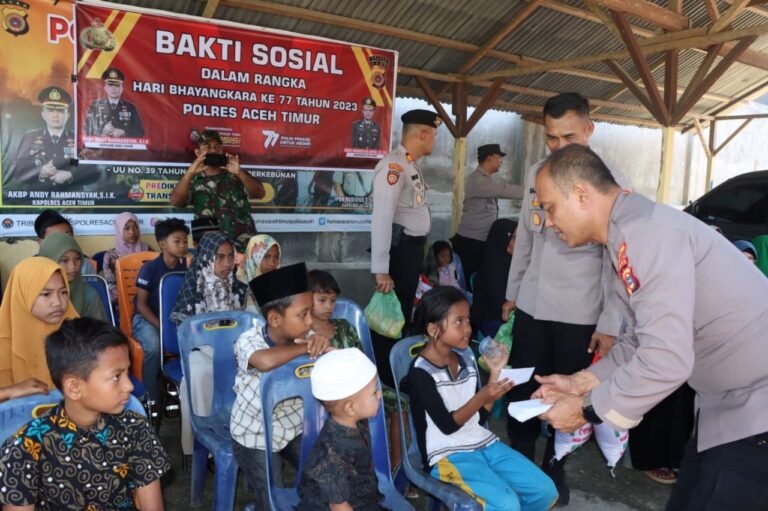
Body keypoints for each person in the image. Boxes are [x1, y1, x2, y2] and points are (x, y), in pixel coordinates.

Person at [530, 144, 768, 511]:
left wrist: (585, 409)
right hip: (728, 409)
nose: (547, 222)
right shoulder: (626, 237)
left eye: (549, 208)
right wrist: (581, 382)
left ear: (581, 194)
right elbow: (638, 341)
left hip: (756, 414)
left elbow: (666, 359)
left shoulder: (646, 235)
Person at [501, 93, 628, 502]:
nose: (559, 146)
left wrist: (610, 323)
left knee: (568, 396)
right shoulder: (538, 173)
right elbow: (525, 240)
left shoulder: (608, 181)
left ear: (589, 129)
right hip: (533, 305)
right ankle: (521, 463)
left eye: (569, 136)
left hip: (580, 312)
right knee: (523, 389)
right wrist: (512, 294)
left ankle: (556, 467)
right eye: (552, 137)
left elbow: (617, 263)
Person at [408, 286, 558, 511]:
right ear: (433, 328)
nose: (468, 328)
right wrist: (481, 396)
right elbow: (447, 426)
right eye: (459, 321)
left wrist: (495, 373)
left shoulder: (465, 361)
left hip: (481, 442)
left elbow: (479, 418)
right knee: (507, 504)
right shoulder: (421, 372)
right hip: (447, 454)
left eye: (468, 320)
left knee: (544, 491)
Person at [0, 318, 170, 510]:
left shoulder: (134, 427)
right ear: (74, 388)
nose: (129, 386)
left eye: (127, 373)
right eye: (117, 376)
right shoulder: (24, 448)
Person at [230, 262, 331, 509]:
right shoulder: (248, 340)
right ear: (274, 319)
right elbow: (264, 361)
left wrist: (322, 344)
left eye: (311, 312)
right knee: (273, 502)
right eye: (303, 314)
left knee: (327, 481)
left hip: (294, 428)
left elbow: (332, 356)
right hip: (254, 434)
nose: (310, 321)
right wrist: (305, 348)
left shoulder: (305, 338)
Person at [370, 109, 441, 383]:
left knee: (401, 315)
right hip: (398, 253)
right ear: (423, 134)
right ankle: (384, 378)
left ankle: (395, 370)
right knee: (389, 317)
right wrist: (381, 269)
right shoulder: (394, 166)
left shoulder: (410, 164)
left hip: (411, 251)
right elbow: (382, 217)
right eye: (433, 135)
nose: (434, 141)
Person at [170, 231, 248, 456]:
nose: (227, 263)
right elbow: (185, 335)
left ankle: (243, 437)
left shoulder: (239, 288)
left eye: (230, 256)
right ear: (206, 258)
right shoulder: (193, 289)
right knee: (202, 371)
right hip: (200, 351)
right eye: (219, 257)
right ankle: (205, 438)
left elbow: (247, 326)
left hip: (235, 349)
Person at [297, 348, 384, 510]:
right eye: (374, 392)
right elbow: (338, 505)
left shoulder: (351, 422)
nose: (379, 395)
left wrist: (342, 356)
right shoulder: (333, 453)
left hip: (358, 495)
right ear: (350, 408)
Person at [169, 129, 265, 252]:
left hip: (242, 245)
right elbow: (176, 202)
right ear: (197, 152)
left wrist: (240, 173)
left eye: (217, 147)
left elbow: (260, 194)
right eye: (207, 147)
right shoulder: (191, 178)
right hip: (209, 247)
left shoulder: (236, 173)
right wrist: (189, 173)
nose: (213, 150)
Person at [132, 218, 189, 403]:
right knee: (154, 347)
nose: (183, 245)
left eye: (185, 241)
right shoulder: (149, 269)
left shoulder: (186, 269)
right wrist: (161, 326)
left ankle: (183, 393)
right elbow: (141, 305)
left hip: (173, 319)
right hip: (147, 319)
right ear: (163, 244)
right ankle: (150, 399)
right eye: (177, 241)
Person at [0, 257, 78, 389]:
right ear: (23, 294)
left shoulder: (78, 331)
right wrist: (10, 391)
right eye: (46, 294)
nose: (57, 302)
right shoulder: (3, 341)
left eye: (63, 292)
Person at [452, 144, 523, 285]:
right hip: (471, 242)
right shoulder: (478, 180)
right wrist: (534, 190)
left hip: (478, 241)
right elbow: (504, 190)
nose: (501, 161)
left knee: (476, 281)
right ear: (489, 158)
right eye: (499, 157)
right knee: (468, 283)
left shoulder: (485, 179)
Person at [9, 86, 93, 189]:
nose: (55, 115)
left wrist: (71, 175)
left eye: (60, 110)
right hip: (38, 197)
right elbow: (16, 170)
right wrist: (40, 173)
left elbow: (95, 170)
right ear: (43, 114)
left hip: (70, 197)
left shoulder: (79, 139)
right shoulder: (29, 138)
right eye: (50, 110)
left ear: (68, 115)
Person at [39, 231, 107, 321]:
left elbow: (99, 329)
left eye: (77, 258)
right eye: (64, 260)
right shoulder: (34, 294)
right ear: (49, 261)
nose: (73, 266)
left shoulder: (89, 295)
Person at [471, 218, 518, 338]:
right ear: (502, 239)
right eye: (514, 237)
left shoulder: (513, 263)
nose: (519, 242)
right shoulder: (491, 269)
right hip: (491, 320)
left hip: (506, 317)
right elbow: (501, 309)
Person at [102, 212, 151, 308]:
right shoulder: (111, 257)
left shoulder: (148, 251)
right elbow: (111, 286)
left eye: (135, 227)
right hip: (123, 303)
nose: (132, 232)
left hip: (148, 302)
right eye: (127, 228)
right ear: (119, 230)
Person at [84, 67, 145, 138]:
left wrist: (124, 132)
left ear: (122, 88)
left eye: (117, 85)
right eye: (110, 85)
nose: (114, 88)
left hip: (123, 144)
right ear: (105, 88)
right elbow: (86, 130)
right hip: (101, 145)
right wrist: (102, 131)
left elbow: (140, 132)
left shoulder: (130, 107)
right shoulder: (95, 105)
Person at [33, 210, 97, 275]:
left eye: (67, 236)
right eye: (55, 238)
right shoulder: (31, 268)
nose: (63, 241)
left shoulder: (84, 265)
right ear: (40, 242)